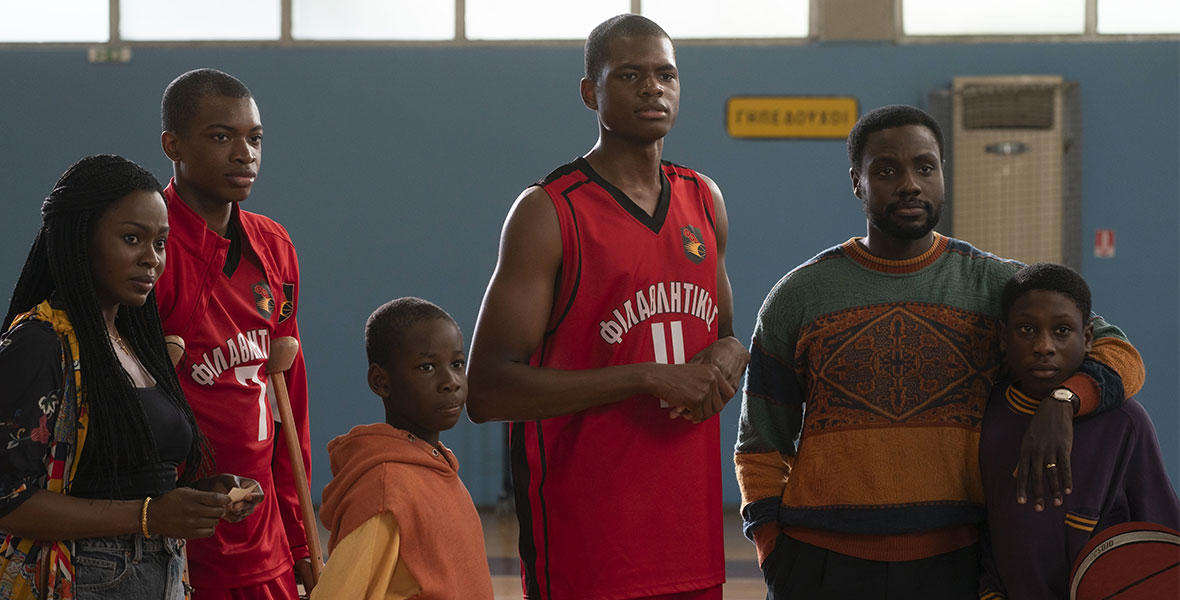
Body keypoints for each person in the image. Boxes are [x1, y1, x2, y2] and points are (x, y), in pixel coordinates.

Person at [735, 105, 1146, 599]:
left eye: (925, 167)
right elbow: (760, 443)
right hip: (821, 565)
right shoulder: (798, 296)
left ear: (942, 175)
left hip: (957, 564)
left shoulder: (997, 286)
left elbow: (1119, 350)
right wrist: (774, 550)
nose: (910, 183)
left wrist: (1064, 402)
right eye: (887, 170)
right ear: (857, 182)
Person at [466, 14, 749, 600]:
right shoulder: (549, 211)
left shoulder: (704, 198)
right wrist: (645, 377)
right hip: (589, 545)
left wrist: (730, 352)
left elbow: (721, 334)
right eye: (631, 76)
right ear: (590, 92)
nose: (654, 88)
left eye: (666, 75)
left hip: (691, 536)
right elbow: (489, 390)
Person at [0, 155, 262, 599]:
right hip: (83, 582)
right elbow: (8, 501)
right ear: (79, 240)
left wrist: (198, 496)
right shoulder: (41, 343)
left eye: (160, 243)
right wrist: (148, 515)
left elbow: (125, 477)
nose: (151, 260)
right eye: (131, 239)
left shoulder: (134, 343)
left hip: (163, 577)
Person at [156, 69, 315, 598]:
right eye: (221, 137)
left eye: (255, 138)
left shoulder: (275, 246)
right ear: (172, 144)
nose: (245, 153)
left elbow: (288, 400)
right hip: (176, 540)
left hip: (263, 534)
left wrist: (300, 541)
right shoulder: (146, 251)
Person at [978, 263, 1179, 600]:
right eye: (1027, 329)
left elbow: (1164, 541)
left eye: (1061, 331)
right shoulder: (989, 415)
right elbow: (985, 530)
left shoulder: (1125, 423)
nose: (1044, 346)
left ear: (1087, 338)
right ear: (1002, 337)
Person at [311, 297, 494, 600]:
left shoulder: (439, 469)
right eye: (427, 367)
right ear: (381, 381)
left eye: (457, 364)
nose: (450, 381)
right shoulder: (384, 490)